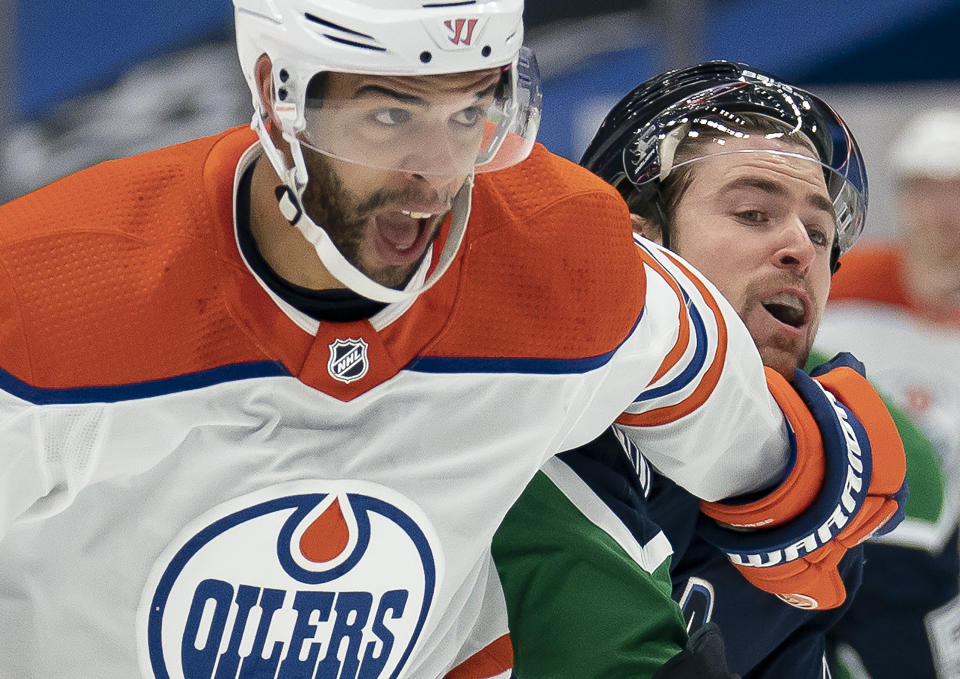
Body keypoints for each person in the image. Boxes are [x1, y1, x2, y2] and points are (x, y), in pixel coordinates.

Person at [0, 4, 904, 677]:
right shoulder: (45, 292)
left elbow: (768, 451)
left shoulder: (567, 262)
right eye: (391, 116)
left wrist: (821, 472)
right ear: (279, 103)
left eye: (471, 112)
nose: (436, 177)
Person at [491, 60, 908, 679]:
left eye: (821, 233)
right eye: (752, 214)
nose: (800, 248)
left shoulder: (820, 492)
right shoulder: (519, 409)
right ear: (638, 242)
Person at [815, 108, 960, 678]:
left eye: (956, 193)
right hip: (853, 543)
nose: (943, 214)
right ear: (903, 198)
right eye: (927, 192)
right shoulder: (841, 290)